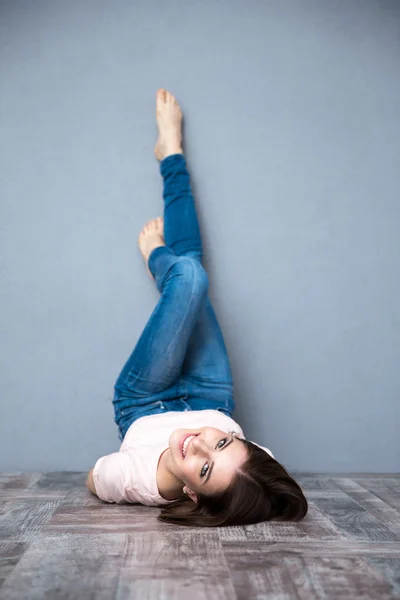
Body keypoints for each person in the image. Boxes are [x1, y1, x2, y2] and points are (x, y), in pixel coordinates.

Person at [87, 89, 308, 527]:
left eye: (204, 468)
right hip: (212, 393)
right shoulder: (257, 468)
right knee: (192, 266)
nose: (199, 444)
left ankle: (162, 259)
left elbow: (95, 478)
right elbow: (267, 483)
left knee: (188, 276)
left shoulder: (131, 480)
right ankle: (170, 155)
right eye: (223, 445)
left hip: (145, 400)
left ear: (191, 494)